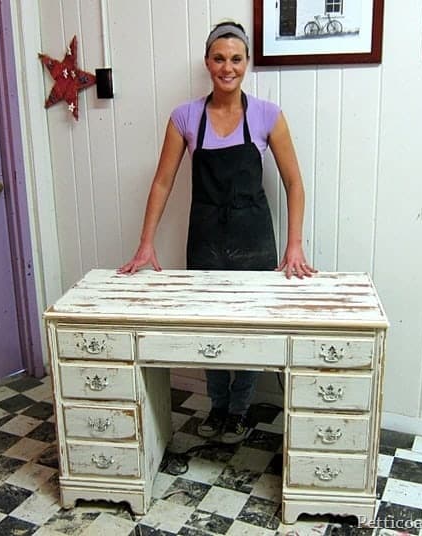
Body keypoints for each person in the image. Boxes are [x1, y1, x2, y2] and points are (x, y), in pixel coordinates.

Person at [118, 21, 315, 444]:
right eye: (219, 58)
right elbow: (162, 182)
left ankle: (239, 411)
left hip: (253, 240)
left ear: (247, 63)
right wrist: (145, 243)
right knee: (208, 327)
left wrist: (294, 244)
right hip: (206, 238)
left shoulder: (268, 115)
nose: (228, 67)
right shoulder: (184, 117)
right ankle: (217, 408)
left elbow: (294, 183)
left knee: (244, 331)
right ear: (208, 62)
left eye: (236, 59)